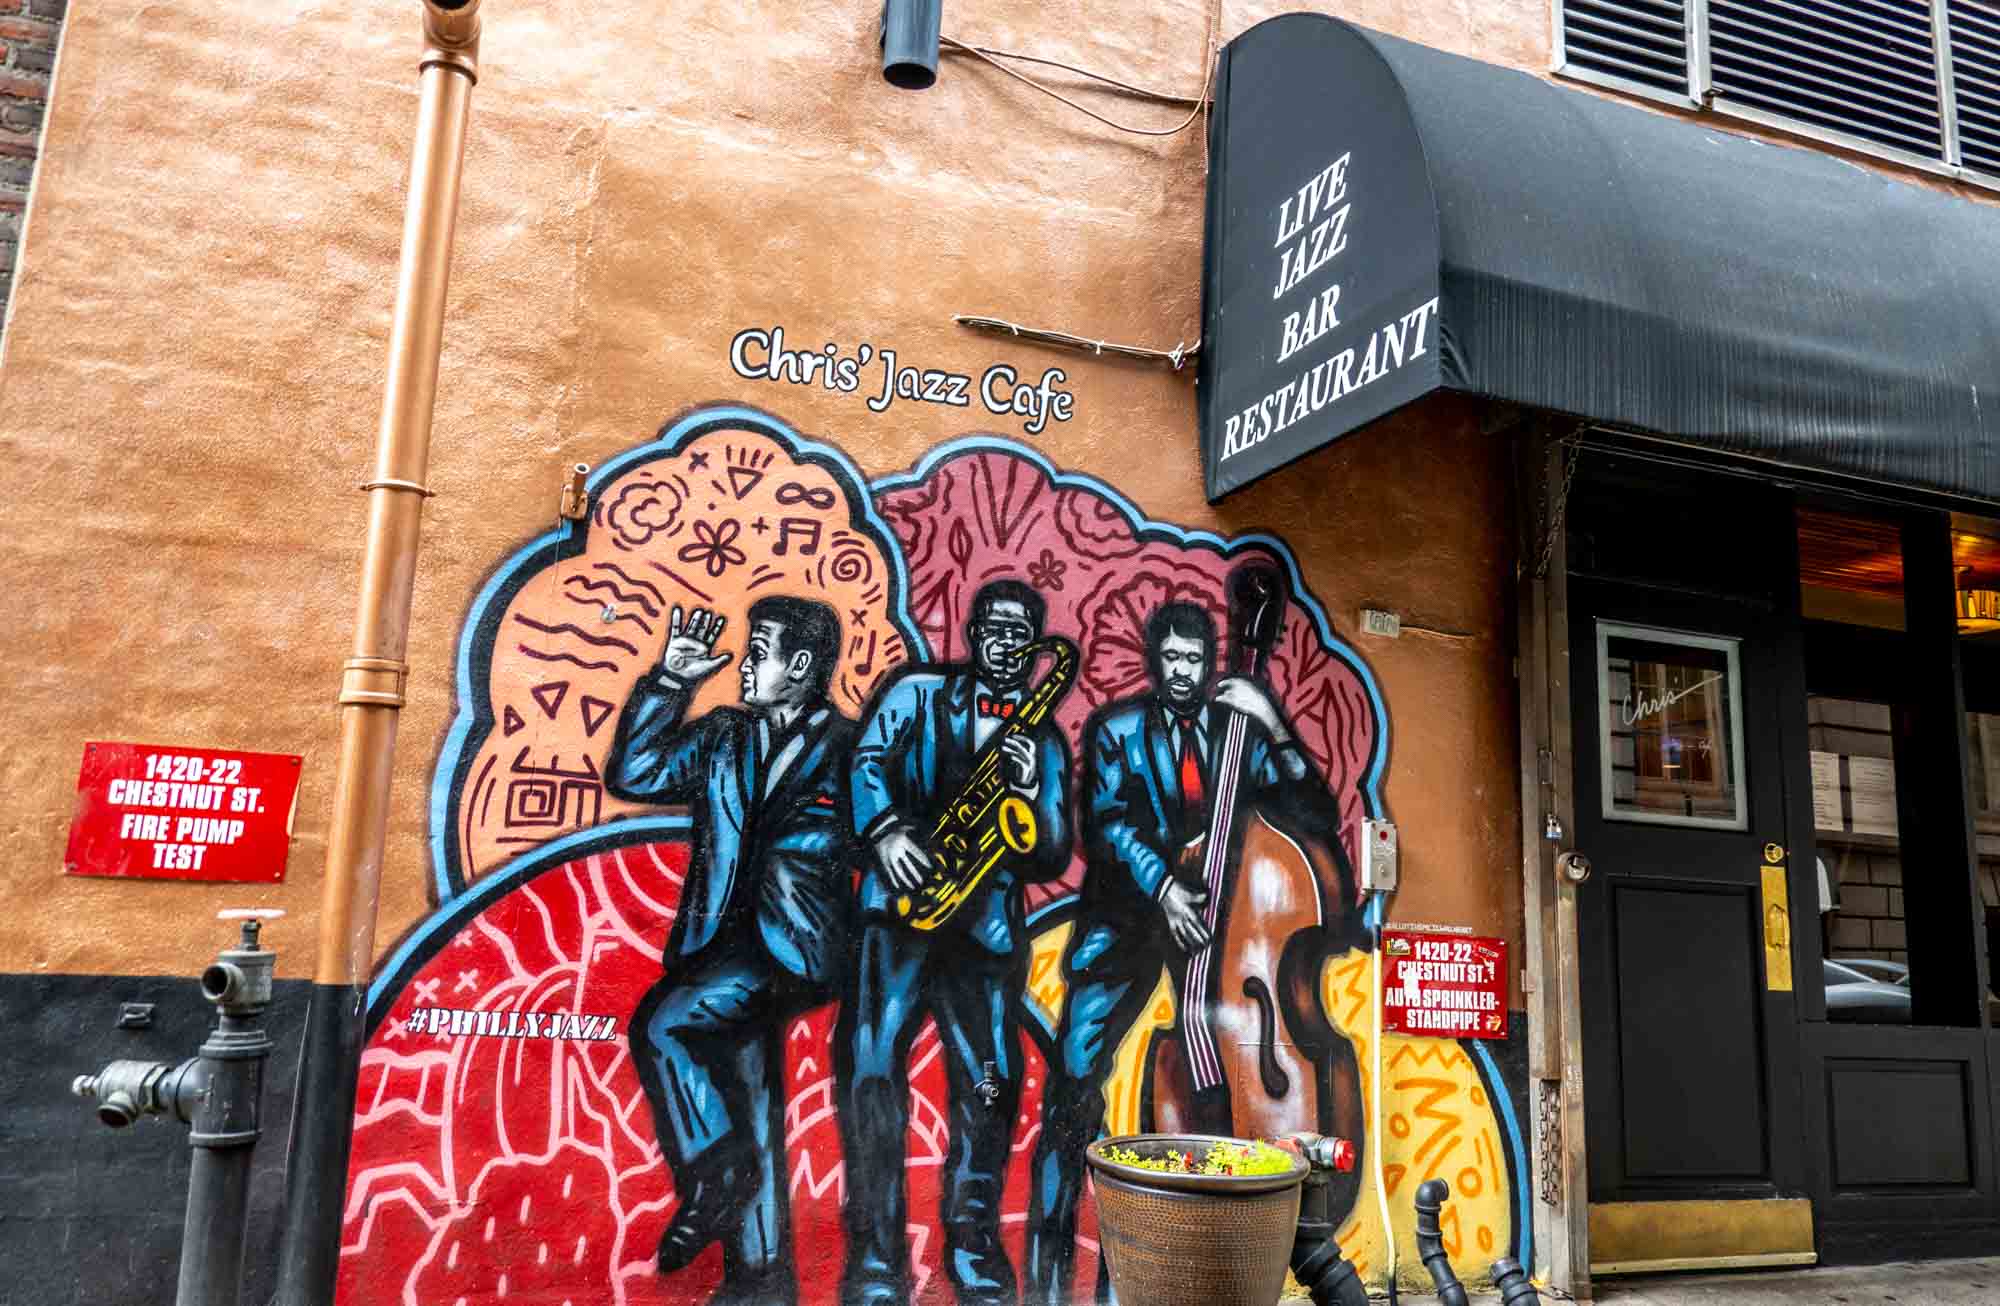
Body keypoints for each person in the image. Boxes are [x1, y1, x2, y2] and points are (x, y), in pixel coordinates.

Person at [1023, 599, 1356, 1306]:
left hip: (1229, 930)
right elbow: (1108, 825)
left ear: (1209, 667)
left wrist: (1272, 722)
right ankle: (1052, 1275)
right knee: (1073, 1082)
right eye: (1170, 658)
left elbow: (1315, 811)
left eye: (1193, 660)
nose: (1181, 671)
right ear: (1155, 661)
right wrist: (1166, 887)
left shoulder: (1241, 730)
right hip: (1131, 925)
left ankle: (1201, 1264)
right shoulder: (1115, 730)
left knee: (1217, 1091)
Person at [606, 597, 854, 1306]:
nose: (743, 666)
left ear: (800, 667)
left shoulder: (850, 747)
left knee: (663, 1023)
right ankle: (761, 1279)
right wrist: (669, 683)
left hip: (795, 948)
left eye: (759, 653)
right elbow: (637, 773)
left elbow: (887, 824)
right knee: (749, 1103)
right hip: (716, 941)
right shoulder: (722, 735)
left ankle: (716, 1171)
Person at [838, 579, 1073, 1306]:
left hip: (984, 934)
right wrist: (885, 831)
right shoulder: (913, 693)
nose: (1006, 645)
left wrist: (1032, 794)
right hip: (902, 916)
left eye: (1020, 635)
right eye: (994, 630)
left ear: (1037, 650)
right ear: (973, 635)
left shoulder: (1044, 737)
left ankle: (974, 1257)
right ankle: (875, 1266)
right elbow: (866, 763)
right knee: (873, 1076)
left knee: (989, 1088)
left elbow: (1055, 851)